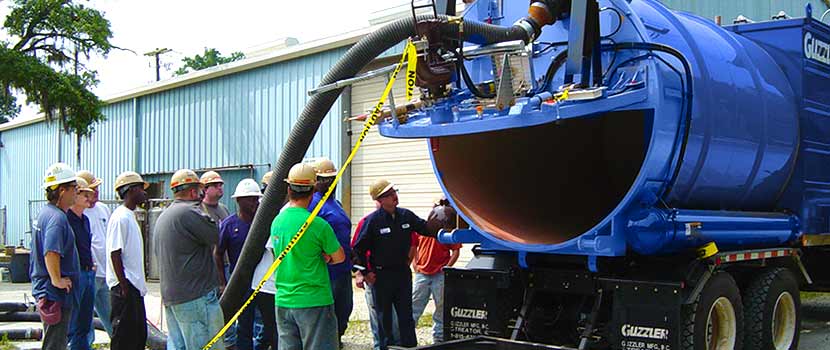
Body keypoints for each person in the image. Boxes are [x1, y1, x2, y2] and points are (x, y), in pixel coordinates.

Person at [352, 179, 445, 349]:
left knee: (406, 317)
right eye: (389, 194)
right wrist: (365, 272)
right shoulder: (372, 222)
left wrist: (441, 216)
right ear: (379, 200)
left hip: (402, 275)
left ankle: (409, 347)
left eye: (394, 192)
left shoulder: (406, 215)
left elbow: (426, 229)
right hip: (381, 277)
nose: (394, 196)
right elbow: (357, 250)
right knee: (384, 318)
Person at [272, 163, 344, 350]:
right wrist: (325, 256)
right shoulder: (317, 225)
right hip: (314, 300)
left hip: (284, 300)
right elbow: (339, 257)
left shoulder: (277, 221)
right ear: (313, 190)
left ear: (289, 189)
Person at [155, 169, 225, 350]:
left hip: (174, 296)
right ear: (194, 192)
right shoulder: (189, 213)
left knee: (179, 346)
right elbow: (214, 235)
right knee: (207, 344)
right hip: (196, 297)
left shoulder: (165, 216)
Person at [215, 179, 274, 350]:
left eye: (256, 198)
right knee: (244, 325)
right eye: (250, 199)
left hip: (264, 284)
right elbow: (218, 254)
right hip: (240, 283)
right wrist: (223, 283)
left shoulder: (265, 224)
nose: (254, 203)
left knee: (268, 323)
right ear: (238, 201)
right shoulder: (229, 225)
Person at [30, 163, 79, 350]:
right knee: (55, 344)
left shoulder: (45, 213)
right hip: (54, 293)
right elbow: (51, 251)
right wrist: (57, 280)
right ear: (61, 190)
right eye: (74, 188)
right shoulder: (57, 219)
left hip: (47, 290)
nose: (76, 192)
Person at [308, 158, 352, 344]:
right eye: (324, 179)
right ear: (315, 181)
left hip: (343, 270)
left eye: (332, 178)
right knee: (327, 317)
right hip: (328, 272)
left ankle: (336, 340)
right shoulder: (313, 205)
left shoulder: (337, 204)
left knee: (344, 310)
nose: (329, 182)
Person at [106, 171, 150, 350]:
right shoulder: (120, 218)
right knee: (124, 338)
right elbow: (115, 253)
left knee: (138, 336)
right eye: (141, 188)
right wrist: (123, 285)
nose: (144, 193)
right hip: (125, 287)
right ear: (130, 190)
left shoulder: (129, 215)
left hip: (133, 286)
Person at [411, 198, 461, 343]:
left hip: (439, 274)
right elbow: (414, 246)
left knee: (441, 307)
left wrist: (447, 268)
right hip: (422, 273)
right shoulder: (422, 229)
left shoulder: (447, 230)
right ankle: (407, 335)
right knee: (415, 305)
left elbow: (456, 251)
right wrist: (415, 262)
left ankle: (438, 339)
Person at [200, 170, 236, 350]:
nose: (220, 188)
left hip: (227, 264)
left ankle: (228, 341)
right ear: (205, 189)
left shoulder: (223, 209)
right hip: (210, 269)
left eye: (221, 185)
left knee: (228, 307)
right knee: (215, 308)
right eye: (215, 185)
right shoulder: (200, 211)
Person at [76, 170, 114, 337]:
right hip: (88, 274)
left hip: (106, 274)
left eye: (97, 188)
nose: (96, 192)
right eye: (92, 189)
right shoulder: (78, 213)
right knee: (84, 321)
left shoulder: (103, 209)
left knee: (112, 318)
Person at [66, 178, 96, 350]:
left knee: (85, 322)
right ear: (75, 195)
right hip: (76, 276)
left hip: (88, 274)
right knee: (74, 323)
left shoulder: (85, 220)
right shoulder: (66, 220)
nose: (88, 197)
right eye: (84, 194)